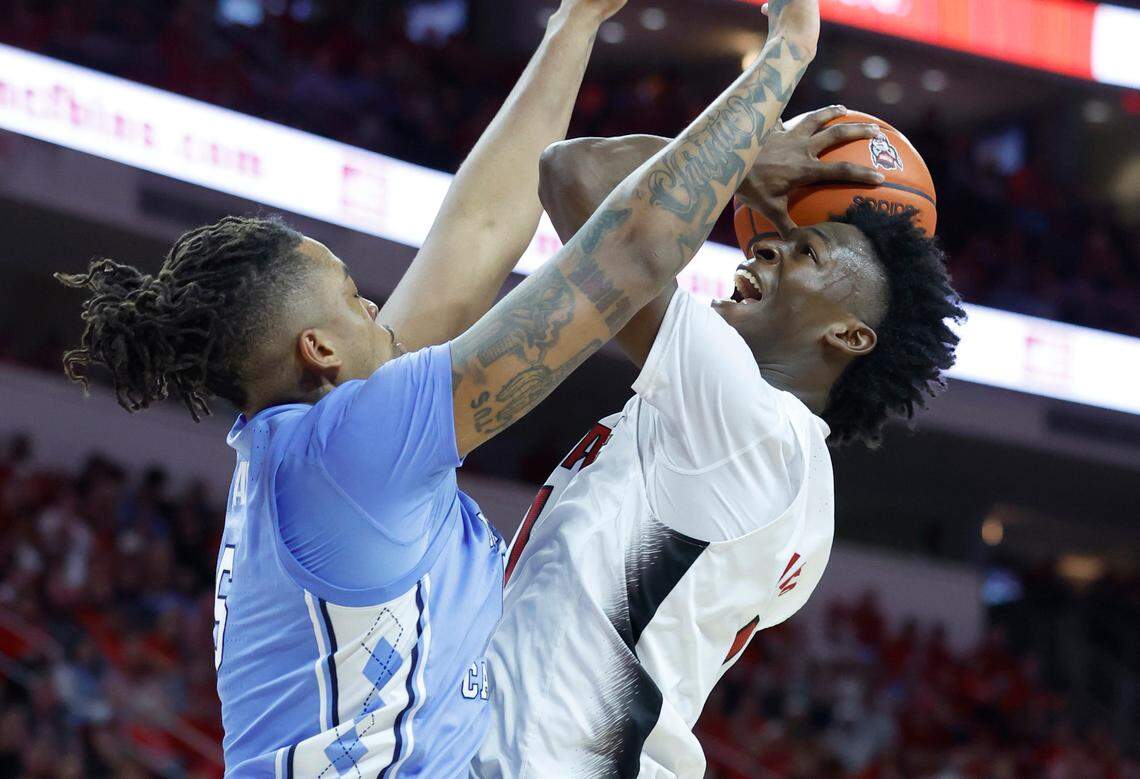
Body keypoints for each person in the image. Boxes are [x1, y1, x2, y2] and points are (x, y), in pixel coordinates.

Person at [54, 0, 822, 774]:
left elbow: (478, 232)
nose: (374, 306)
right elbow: (623, 257)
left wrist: (575, 23)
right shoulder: (350, 447)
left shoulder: (317, 438)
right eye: (353, 294)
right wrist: (783, 61)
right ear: (318, 348)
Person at [472, 102, 965, 776]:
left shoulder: (752, 425)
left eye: (807, 250)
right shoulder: (780, 470)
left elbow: (574, 171)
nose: (763, 244)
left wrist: (743, 162)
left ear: (849, 335)